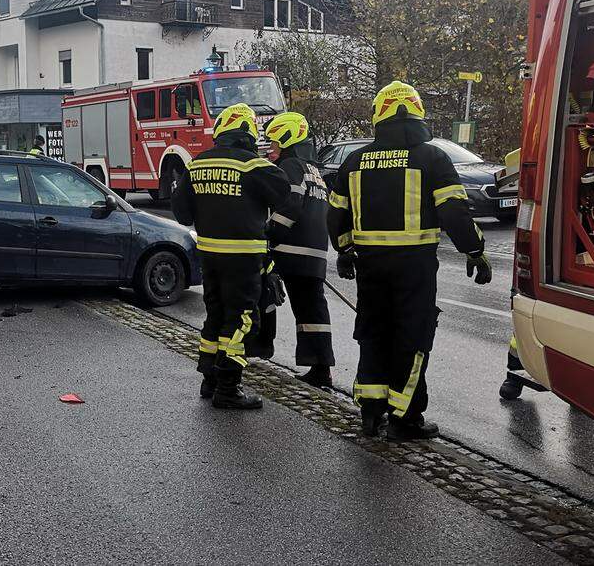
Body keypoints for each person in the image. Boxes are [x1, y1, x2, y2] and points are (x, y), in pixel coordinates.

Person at [326, 80, 492, 440]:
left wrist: (344, 250)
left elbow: (336, 214)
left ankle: (370, 414)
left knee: (373, 333)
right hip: (414, 266)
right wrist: (475, 251)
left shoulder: (355, 161)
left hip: (370, 265)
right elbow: (455, 213)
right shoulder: (432, 158)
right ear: (417, 112)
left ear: (378, 116)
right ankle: (405, 419)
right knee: (411, 337)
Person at [173, 103, 291, 409]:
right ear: (248, 132)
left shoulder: (196, 164)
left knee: (215, 316)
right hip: (244, 258)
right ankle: (228, 387)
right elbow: (282, 193)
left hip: (209, 256)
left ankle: (209, 379)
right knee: (240, 320)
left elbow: (182, 214)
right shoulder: (253, 166)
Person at [263, 112, 335, 389]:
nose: (272, 149)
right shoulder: (313, 170)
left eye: (275, 143)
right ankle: (321, 368)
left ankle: (253, 349)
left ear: (289, 139)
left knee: (265, 296)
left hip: (291, 251)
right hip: (314, 253)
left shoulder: (291, 166)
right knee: (312, 312)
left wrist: (268, 235)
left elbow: (290, 206)